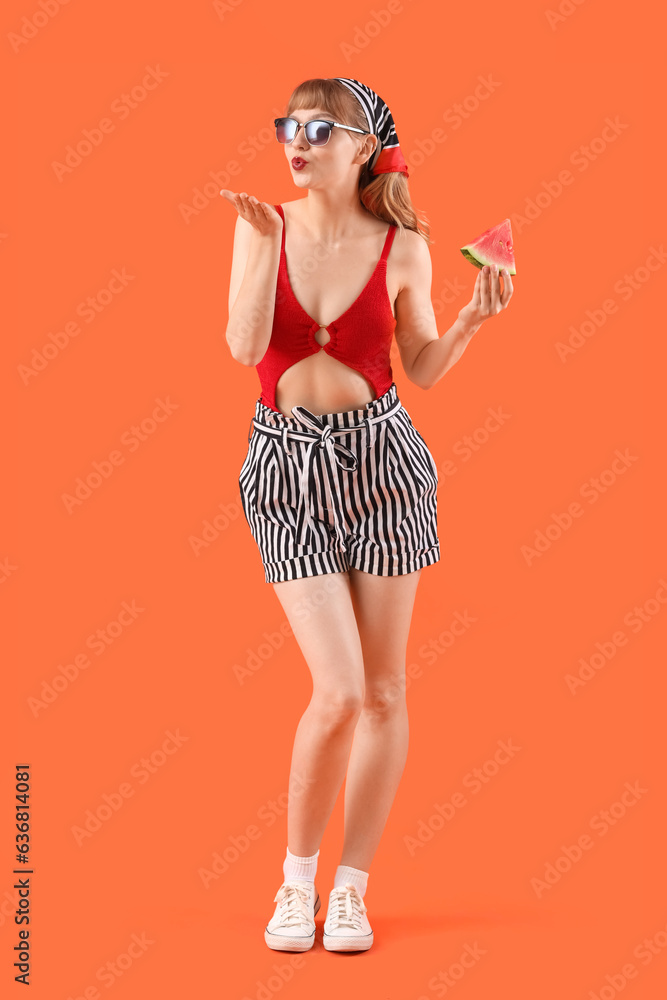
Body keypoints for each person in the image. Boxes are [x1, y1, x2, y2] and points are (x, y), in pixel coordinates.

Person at [221, 77, 513, 954]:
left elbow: (417, 369)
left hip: (385, 466)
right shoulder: (258, 224)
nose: (295, 141)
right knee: (339, 690)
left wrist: (468, 323)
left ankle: (349, 892)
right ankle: (294, 884)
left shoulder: (405, 247)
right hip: (284, 465)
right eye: (287, 126)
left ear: (362, 147)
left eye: (317, 128)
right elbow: (241, 349)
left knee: (384, 691)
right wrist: (264, 249)